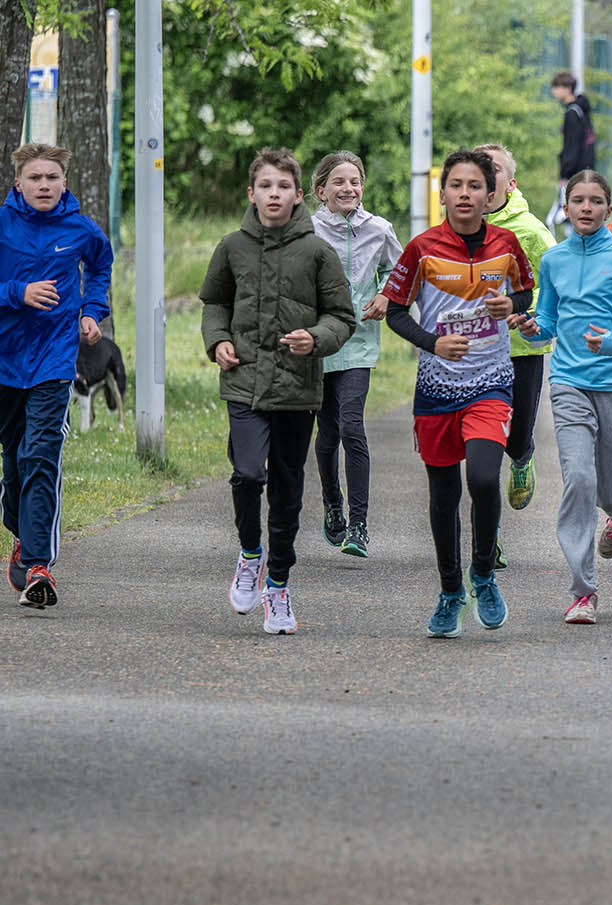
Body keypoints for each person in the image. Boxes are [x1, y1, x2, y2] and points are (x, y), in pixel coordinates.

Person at [200, 147, 353, 635]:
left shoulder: (318, 252)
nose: (274, 194)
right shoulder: (231, 247)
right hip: (244, 381)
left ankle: (279, 586)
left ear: (299, 194)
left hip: (297, 387)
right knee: (247, 474)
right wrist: (218, 341)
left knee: (287, 491)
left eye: (283, 186)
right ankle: (250, 553)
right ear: (252, 193)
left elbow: (341, 317)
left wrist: (317, 338)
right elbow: (215, 303)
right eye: (265, 186)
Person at [382, 149, 534, 638]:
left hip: (491, 382)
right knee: (444, 495)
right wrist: (433, 343)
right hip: (436, 388)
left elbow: (526, 291)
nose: (465, 194)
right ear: (443, 193)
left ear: (490, 197)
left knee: (485, 479)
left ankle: (483, 575)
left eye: (474, 186)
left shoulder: (507, 243)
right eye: (456, 185)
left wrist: (511, 303)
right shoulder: (422, 248)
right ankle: (451, 591)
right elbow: (395, 310)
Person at [511, 170, 612, 625]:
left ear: (608, 208)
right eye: (578, 200)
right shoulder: (554, 259)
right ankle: (582, 591)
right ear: (567, 207)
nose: (586, 208)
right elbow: (547, 324)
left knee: (611, 491)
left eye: (595, 201)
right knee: (578, 479)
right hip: (569, 381)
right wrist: (532, 328)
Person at [0, 142, 112, 609]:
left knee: (41, 455)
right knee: (13, 461)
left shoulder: (81, 229)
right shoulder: (3, 224)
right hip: (5, 361)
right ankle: (21, 533)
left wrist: (91, 311)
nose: (44, 185)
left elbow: (101, 267)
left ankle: (38, 565)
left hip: (54, 360)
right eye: (35, 178)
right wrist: (18, 292)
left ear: (65, 182)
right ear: (18, 183)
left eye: (52, 177)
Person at [309, 150, 402, 560]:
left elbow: (399, 272)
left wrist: (385, 295)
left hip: (360, 341)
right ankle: (333, 503)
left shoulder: (379, 229)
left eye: (355, 181)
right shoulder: (307, 231)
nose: (348, 188)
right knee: (328, 433)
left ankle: (358, 525)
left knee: (351, 426)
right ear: (321, 191)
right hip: (317, 343)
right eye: (339, 182)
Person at [477, 142, 558, 538]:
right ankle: (488, 537)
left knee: (517, 433)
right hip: (477, 352)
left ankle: (523, 457)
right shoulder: (460, 228)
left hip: (523, 347)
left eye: (494, 168)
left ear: (510, 183)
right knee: (483, 443)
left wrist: (529, 311)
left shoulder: (530, 231)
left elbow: (557, 283)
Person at [551, 71, 598, 194]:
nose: (554, 91)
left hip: (574, 173)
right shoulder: (581, 109)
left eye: (557, 87)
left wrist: (565, 174)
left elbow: (572, 146)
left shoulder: (572, 113)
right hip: (585, 169)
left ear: (568, 89)